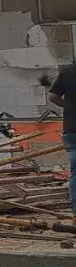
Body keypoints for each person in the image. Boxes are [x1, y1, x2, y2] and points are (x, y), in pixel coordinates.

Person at [44, 67, 76, 214]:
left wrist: (70, 107)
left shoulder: (68, 71)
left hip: (71, 131)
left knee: (75, 173)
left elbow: (53, 97)